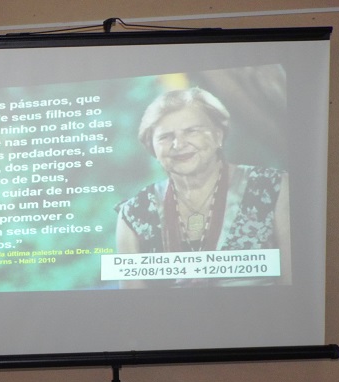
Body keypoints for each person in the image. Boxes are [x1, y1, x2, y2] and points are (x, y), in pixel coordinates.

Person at [115, 87, 291, 287]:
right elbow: (134, 306)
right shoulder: (133, 213)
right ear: (152, 147)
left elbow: (296, 287)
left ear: (218, 135)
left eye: (192, 131)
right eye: (165, 137)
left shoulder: (274, 188)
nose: (178, 144)